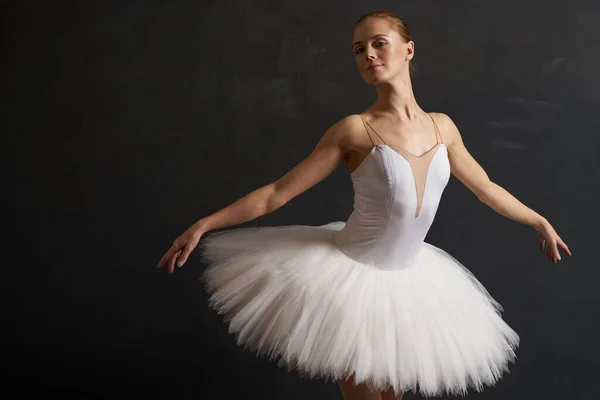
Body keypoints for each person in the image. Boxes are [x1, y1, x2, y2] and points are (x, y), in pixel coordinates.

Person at [156, 9, 571, 400]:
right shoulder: (355, 130)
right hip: (352, 285)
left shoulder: (442, 127)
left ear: (408, 49)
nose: (368, 55)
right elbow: (276, 193)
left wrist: (539, 220)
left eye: (379, 43)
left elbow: (486, 188)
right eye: (359, 49)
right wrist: (204, 224)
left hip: (411, 284)